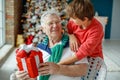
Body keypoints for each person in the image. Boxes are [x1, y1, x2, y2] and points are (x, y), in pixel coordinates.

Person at [13, 10, 88, 80]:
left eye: (57, 22)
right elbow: (35, 76)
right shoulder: (38, 49)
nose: (55, 25)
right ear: (43, 29)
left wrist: (59, 69)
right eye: (50, 23)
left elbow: (84, 69)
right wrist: (23, 75)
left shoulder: (73, 43)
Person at [58, 0, 107, 80]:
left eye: (74, 18)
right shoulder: (73, 22)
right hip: (78, 57)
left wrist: (58, 65)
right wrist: (71, 35)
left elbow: (82, 53)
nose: (71, 20)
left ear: (85, 19)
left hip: (93, 60)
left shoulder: (97, 29)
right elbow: (69, 29)